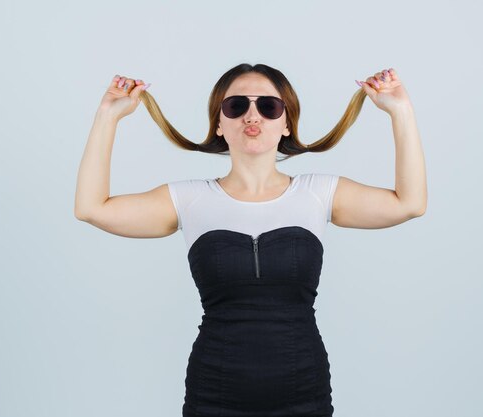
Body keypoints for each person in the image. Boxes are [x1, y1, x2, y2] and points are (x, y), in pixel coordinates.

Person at [74, 63, 427, 416]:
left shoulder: (319, 193)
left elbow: (409, 203)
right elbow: (91, 208)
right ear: (219, 122)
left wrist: (401, 110)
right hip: (213, 395)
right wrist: (108, 116)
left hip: (305, 394)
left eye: (268, 106)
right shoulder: (188, 198)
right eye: (236, 106)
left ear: (286, 122)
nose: (251, 115)